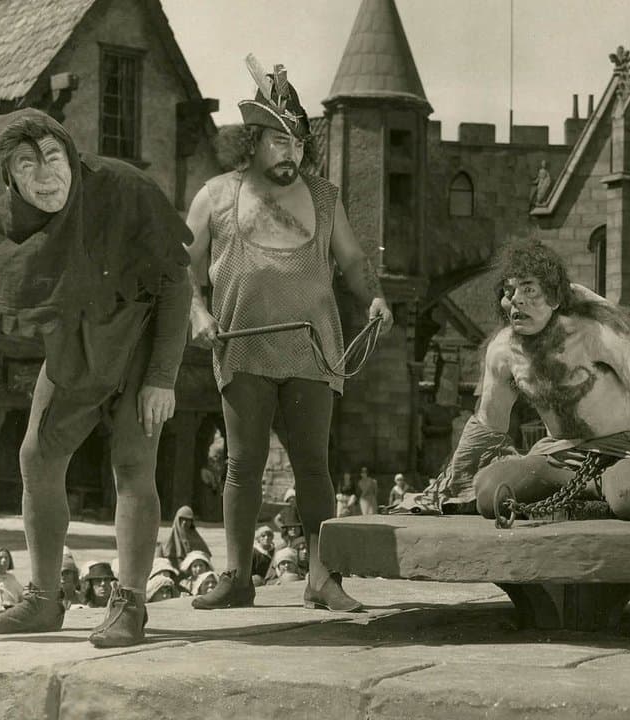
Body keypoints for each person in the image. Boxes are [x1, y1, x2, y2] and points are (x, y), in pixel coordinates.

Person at [0, 108, 192, 648]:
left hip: (139, 343)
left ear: (71, 156)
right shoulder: (0, 225)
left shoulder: (124, 189)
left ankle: (129, 604)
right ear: (9, 177)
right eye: (28, 165)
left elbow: (176, 282)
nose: (46, 174)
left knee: (132, 460)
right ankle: (43, 600)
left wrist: (162, 377)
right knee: (37, 455)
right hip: (74, 354)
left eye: (54, 157)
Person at [186, 58, 391, 613]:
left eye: (298, 142)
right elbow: (182, 266)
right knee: (242, 464)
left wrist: (372, 296)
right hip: (244, 344)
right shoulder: (215, 196)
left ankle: (323, 578)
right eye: (279, 140)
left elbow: (351, 263)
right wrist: (196, 310)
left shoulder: (325, 198)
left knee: (314, 466)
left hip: (313, 346)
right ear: (252, 142)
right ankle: (236, 577)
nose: (291, 153)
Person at [407, 240, 630, 523]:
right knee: (489, 494)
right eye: (509, 292)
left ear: (555, 297)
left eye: (530, 290)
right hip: (559, 455)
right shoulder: (503, 351)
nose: (517, 302)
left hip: (624, 451)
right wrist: (454, 480)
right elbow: (489, 424)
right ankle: (584, 498)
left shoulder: (598, 331)